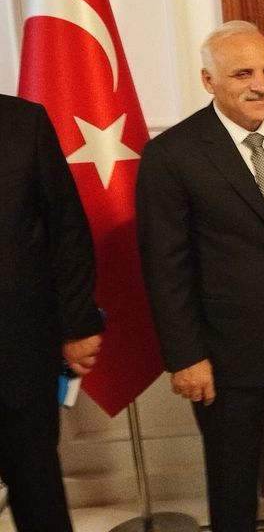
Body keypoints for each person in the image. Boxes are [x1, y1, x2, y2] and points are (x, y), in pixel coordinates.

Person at [137, 21, 264, 532]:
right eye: (242, 74)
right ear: (208, 81)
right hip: (224, 349)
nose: (261, 85)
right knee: (232, 478)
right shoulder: (172, 154)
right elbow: (165, 267)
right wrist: (185, 356)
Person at [0, 95, 104, 532]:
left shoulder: (23, 122)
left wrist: (78, 326)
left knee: (38, 494)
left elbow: (67, 231)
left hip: (20, 352)